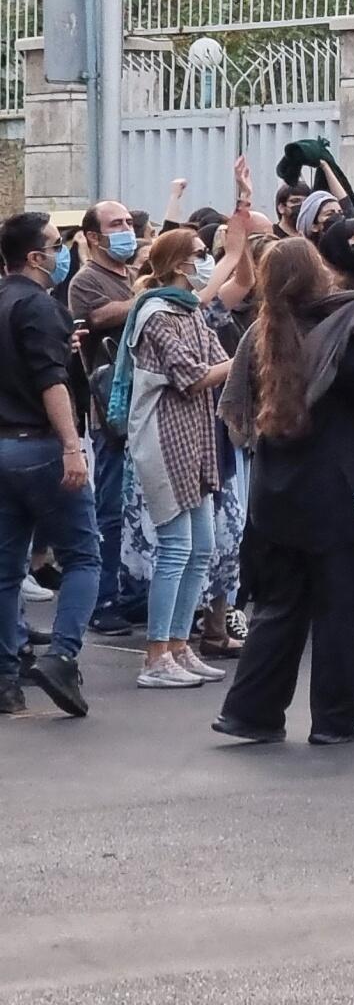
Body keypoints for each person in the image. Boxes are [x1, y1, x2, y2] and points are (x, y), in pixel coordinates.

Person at [214, 240, 354, 745]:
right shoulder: (341, 333)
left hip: (275, 494)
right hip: (338, 494)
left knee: (278, 609)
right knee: (343, 612)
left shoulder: (259, 335)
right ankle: (337, 720)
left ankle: (250, 712)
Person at [117, 229, 233, 690]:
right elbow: (194, 375)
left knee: (202, 547)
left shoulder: (189, 311)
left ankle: (180, 644)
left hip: (195, 438)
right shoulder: (156, 314)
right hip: (163, 438)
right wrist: (248, 353)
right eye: (200, 255)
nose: (206, 261)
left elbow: (217, 360)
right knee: (176, 548)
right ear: (180, 264)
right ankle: (155, 655)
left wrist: (239, 359)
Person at [0, 212, 98, 718]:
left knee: (5, 568)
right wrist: (71, 446)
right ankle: (62, 656)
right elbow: (50, 381)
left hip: (4, 446)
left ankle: (5, 676)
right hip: (39, 444)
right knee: (83, 556)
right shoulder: (38, 305)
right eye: (57, 246)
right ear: (36, 257)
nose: (63, 254)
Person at [68, 197, 142, 636]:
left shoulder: (131, 276)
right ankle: (104, 600)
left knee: (136, 510)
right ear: (93, 237)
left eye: (129, 221)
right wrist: (149, 296)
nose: (127, 229)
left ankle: (131, 593)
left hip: (141, 411)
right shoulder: (87, 280)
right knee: (110, 510)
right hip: (109, 413)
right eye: (117, 224)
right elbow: (97, 317)